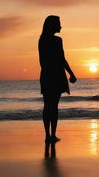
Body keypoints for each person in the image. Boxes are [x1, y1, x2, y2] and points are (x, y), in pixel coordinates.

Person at [39, 15, 77, 144]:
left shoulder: (42, 40)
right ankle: (52, 135)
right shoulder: (56, 40)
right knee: (53, 106)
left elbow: (43, 62)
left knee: (47, 105)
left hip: (47, 75)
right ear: (53, 25)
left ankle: (48, 135)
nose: (61, 26)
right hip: (56, 75)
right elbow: (62, 59)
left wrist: (70, 73)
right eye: (59, 24)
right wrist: (71, 74)